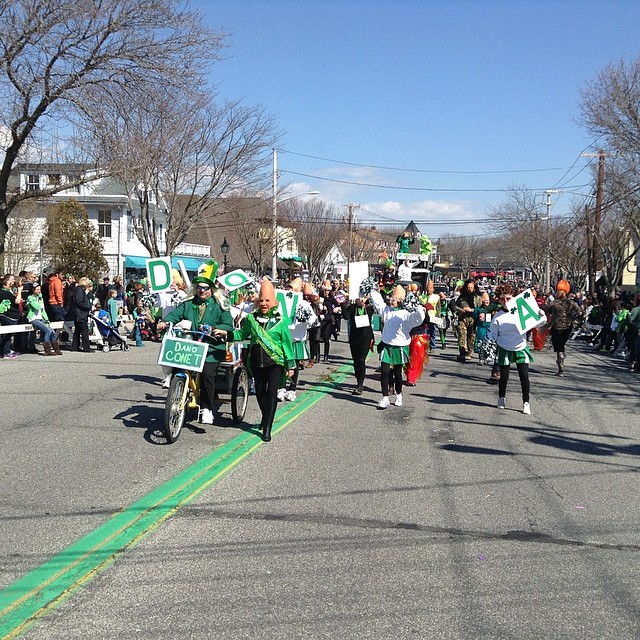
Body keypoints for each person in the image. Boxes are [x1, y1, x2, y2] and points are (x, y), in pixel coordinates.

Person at [214, 277, 295, 442]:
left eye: (267, 300)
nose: (264, 303)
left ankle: (267, 428)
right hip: (257, 362)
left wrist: (290, 365)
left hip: (275, 363)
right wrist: (226, 334)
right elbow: (241, 335)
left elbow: (287, 344)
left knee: (271, 394)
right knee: (259, 393)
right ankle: (266, 417)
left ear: (274, 302)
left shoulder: (281, 321)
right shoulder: (251, 319)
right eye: (262, 300)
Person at [157, 261, 234, 425]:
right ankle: (177, 396)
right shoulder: (189, 303)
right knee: (177, 366)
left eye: (205, 288)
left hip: (212, 347)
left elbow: (228, 324)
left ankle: (207, 408)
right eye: (199, 287)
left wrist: (217, 329)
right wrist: (165, 322)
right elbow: (175, 315)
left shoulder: (221, 304)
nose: (202, 290)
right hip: (191, 345)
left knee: (207, 373)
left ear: (211, 288)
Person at [488, 284, 546, 415]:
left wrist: (541, 315)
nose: (506, 302)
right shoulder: (497, 316)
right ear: (499, 300)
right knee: (504, 377)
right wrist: (489, 343)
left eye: (508, 298)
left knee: (524, 376)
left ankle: (526, 402)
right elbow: (492, 333)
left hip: (520, 347)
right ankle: (501, 398)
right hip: (504, 348)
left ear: (513, 298)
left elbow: (540, 323)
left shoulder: (521, 311)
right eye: (503, 299)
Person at [370, 282, 425, 409]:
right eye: (391, 298)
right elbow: (378, 301)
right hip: (386, 345)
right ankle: (385, 397)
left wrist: (417, 307)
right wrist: (371, 289)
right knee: (384, 371)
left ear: (400, 301)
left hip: (399, 346)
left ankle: (398, 394)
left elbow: (418, 319)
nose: (391, 300)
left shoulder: (406, 314)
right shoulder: (386, 310)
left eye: (393, 299)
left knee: (397, 373)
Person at [343, 280, 375, 395]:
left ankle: (360, 384)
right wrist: (345, 303)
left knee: (361, 360)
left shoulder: (369, 309)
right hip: (354, 338)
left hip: (365, 337)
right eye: (359, 298)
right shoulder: (352, 308)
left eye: (364, 297)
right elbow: (346, 316)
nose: (361, 300)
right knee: (356, 361)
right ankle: (358, 380)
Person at [547, 288, 581, 376]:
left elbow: (547, 310)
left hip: (556, 327)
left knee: (559, 348)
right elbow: (580, 312)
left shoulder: (554, 303)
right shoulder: (571, 303)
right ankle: (561, 360)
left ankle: (561, 368)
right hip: (568, 326)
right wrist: (576, 321)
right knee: (561, 345)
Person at [26, 283, 60, 355]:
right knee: (47, 331)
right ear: (33, 290)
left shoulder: (41, 299)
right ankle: (47, 350)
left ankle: (56, 348)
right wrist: (38, 299)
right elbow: (36, 307)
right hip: (34, 319)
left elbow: (43, 310)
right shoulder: (30, 298)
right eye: (37, 290)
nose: (39, 291)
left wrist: (47, 319)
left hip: (40, 318)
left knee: (51, 331)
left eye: (40, 290)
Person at [453, 278, 481, 363]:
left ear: (474, 288)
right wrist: (460, 310)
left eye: (471, 287)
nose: (469, 289)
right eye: (468, 287)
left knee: (471, 336)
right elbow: (455, 306)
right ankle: (462, 352)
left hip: (473, 319)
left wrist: (472, 310)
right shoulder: (461, 297)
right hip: (463, 318)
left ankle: (469, 352)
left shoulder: (477, 297)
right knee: (462, 335)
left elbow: (480, 308)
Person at [0, 274, 23, 358]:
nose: (13, 281)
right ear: (7, 281)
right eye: (12, 279)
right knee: (8, 333)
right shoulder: (4, 292)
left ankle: (5, 350)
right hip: (8, 315)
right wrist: (20, 291)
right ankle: (6, 352)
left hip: (9, 314)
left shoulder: (9, 291)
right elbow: (17, 301)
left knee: (6, 334)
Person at [69, 277, 94, 352]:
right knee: (84, 331)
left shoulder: (78, 290)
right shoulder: (79, 290)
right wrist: (88, 307)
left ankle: (75, 346)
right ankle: (86, 348)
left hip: (78, 314)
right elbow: (79, 302)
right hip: (80, 314)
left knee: (77, 331)